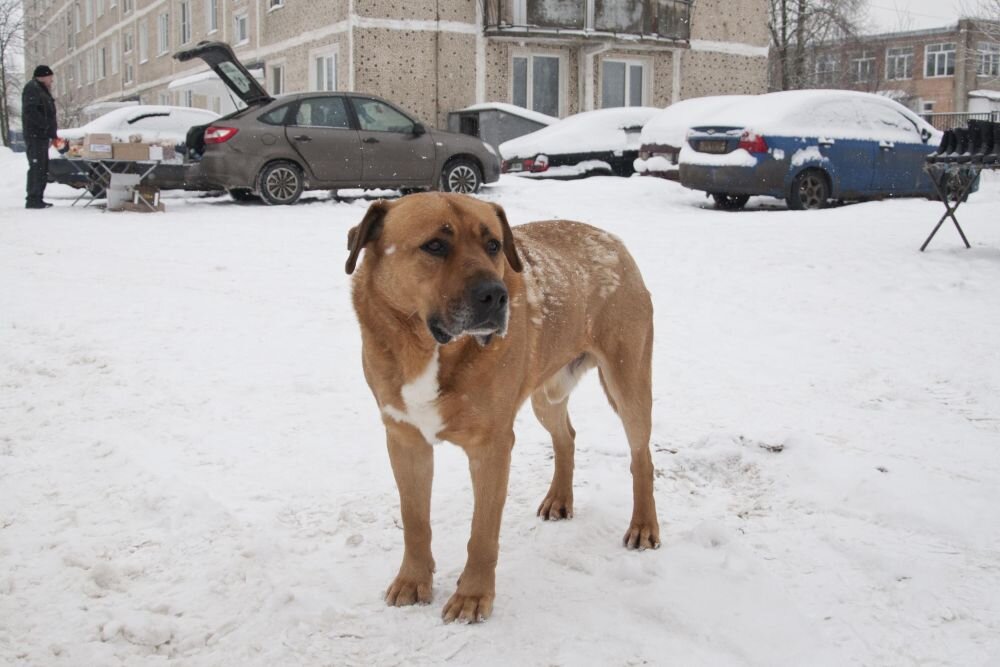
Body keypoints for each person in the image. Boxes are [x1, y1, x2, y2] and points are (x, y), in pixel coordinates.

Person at [21, 65, 59, 209]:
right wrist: (46, 126)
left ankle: (37, 197)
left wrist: (51, 133)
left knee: (42, 166)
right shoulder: (32, 88)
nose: (52, 81)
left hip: (41, 135)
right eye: (50, 77)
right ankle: (33, 198)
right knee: (37, 166)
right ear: (42, 76)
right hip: (35, 135)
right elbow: (31, 112)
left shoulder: (40, 89)